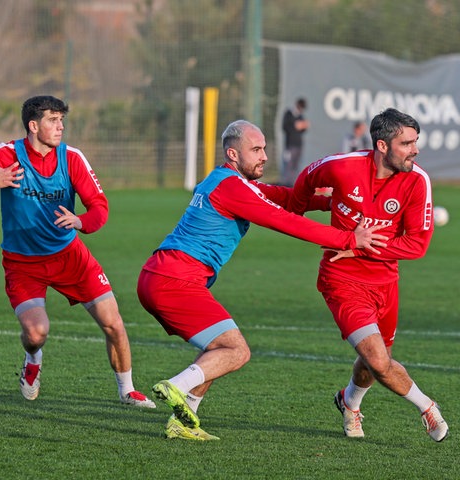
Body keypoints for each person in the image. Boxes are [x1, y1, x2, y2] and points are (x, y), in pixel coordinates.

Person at [137, 119, 388, 441]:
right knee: (236, 351)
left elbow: (278, 196)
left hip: (161, 275)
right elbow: (283, 220)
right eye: (256, 149)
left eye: (265, 148)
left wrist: (332, 202)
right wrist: (348, 239)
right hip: (174, 279)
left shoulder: (226, 180)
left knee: (218, 350)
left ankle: (184, 420)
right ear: (233, 154)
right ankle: (177, 385)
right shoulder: (231, 187)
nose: (264, 156)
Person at [0, 95, 155, 409]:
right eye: (52, 120)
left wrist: (81, 221)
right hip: (23, 264)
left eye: (62, 120)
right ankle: (33, 360)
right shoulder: (4, 155)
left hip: (70, 257)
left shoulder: (72, 158)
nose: (60, 127)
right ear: (33, 126)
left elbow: (99, 207)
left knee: (113, 322)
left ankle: (128, 390)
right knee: (36, 333)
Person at [289, 108, 448, 442]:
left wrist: (358, 246)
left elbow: (417, 245)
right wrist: (299, 207)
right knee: (377, 357)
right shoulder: (342, 166)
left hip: (386, 283)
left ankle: (350, 403)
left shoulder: (418, 181)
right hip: (341, 278)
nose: (415, 149)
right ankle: (427, 408)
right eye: (406, 143)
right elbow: (306, 178)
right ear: (382, 145)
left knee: (377, 361)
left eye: (415, 141)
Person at [281, 97, 310, 186]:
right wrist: (295, 126)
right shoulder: (289, 114)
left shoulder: (300, 116)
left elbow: (302, 130)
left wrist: (304, 126)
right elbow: (285, 127)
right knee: (288, 165)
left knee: (296, 166)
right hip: (290, 145)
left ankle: (294, 184)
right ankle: (286, 184)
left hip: (298, 145)